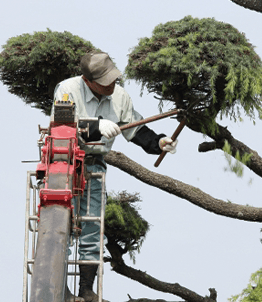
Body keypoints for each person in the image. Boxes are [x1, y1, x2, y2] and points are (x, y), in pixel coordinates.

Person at [52, 51, 178, 302]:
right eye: (104, 81)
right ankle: (57, 288)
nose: (111, 84)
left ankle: (86, 290)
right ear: (88, 81)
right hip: (64, 164)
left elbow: (136, 128)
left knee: (93, 226)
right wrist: (94, 126)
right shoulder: (67, 90)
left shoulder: (118, 95)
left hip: (95, 166)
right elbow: (62, 127)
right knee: (61, 227)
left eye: (113, 78)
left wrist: (160, 142)